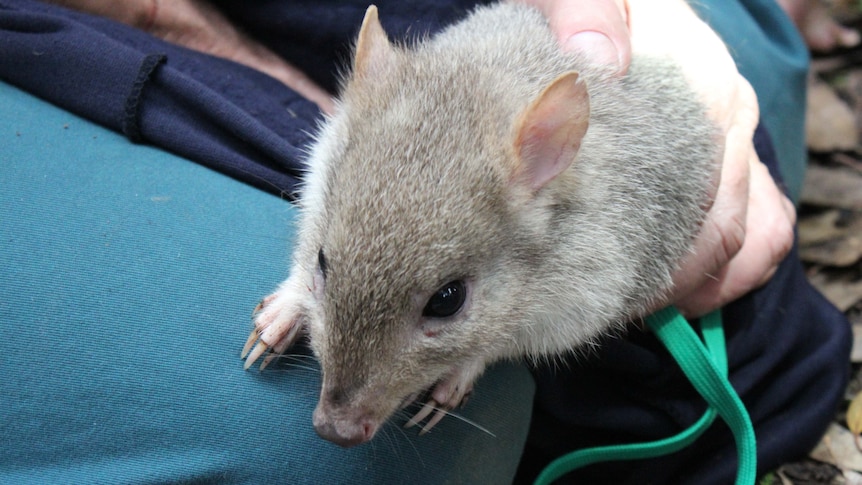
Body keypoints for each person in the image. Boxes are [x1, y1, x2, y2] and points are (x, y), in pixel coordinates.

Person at [0, 0, 849, 483]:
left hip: (545, 103)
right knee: (308, 449)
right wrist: (309, 279)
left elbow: (600, 285)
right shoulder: (371, 124)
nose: (342, 412)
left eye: (443, 302)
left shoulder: (544, 201)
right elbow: (337, 168)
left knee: (749, 72)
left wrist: (477, 345)